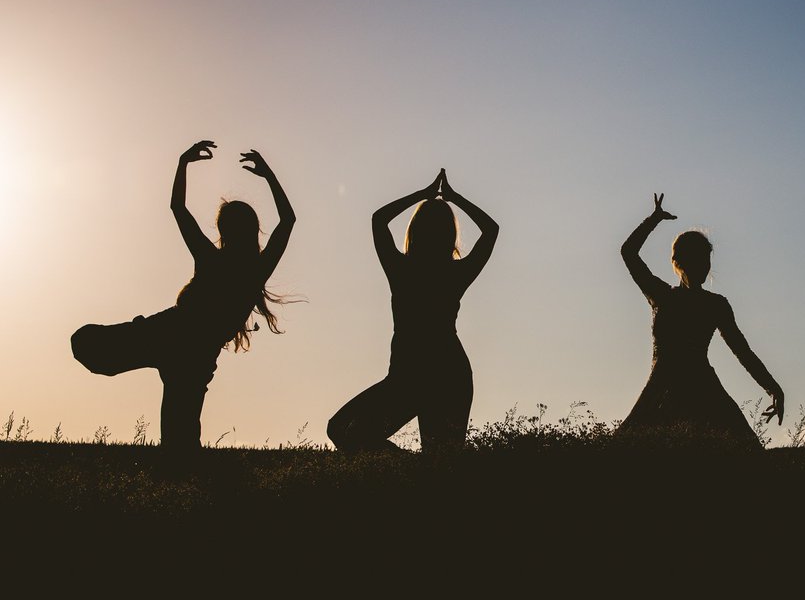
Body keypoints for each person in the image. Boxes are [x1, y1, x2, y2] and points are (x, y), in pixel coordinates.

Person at [71, 140, 296, 452]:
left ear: (223, 231)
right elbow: (288, 221)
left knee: (87, 345)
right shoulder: (256, 270)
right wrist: (269, 175)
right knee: (180, 432)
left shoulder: (212, 258)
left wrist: (183, 163)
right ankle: (182, 474)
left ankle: (181, 478)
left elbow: (178, 208)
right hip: (193, 351)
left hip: (171, 334)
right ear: (253, 230)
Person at [327, 169, 498, 455]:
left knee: (343, 430)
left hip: (414, 376)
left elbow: (379, 219)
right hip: (443, 374)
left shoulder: (401, 270)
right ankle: (416, 471)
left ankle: (415, 474)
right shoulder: (454, 273)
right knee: (441, 463)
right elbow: (491, 230)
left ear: (414, 231)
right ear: (449, 235)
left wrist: (423, 195)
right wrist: (454, 199)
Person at [619, 193, 784, 447]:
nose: (704, 266)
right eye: (697, 259)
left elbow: (743, 351)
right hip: (663, 388)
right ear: (678, 262)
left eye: (706, 259)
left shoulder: (716, 305)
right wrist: (653, 219)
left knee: (745, 453)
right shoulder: (662, 296)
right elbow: (628, 252)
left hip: (702, 388)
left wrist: (773, 388)